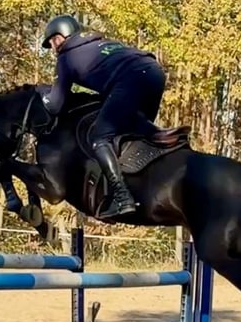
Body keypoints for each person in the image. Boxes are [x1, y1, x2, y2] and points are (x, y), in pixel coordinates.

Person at [39, 14, 167, 219]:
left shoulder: (67, 56)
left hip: (130, 80)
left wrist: (42, 95)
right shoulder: (101, 42)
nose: (53, 47)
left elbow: (55, 105)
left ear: (61, 36)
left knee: (100, 137)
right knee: (134, 128)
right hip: (154, 72)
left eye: (52, 41)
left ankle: (122, 196)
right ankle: (158, 160)